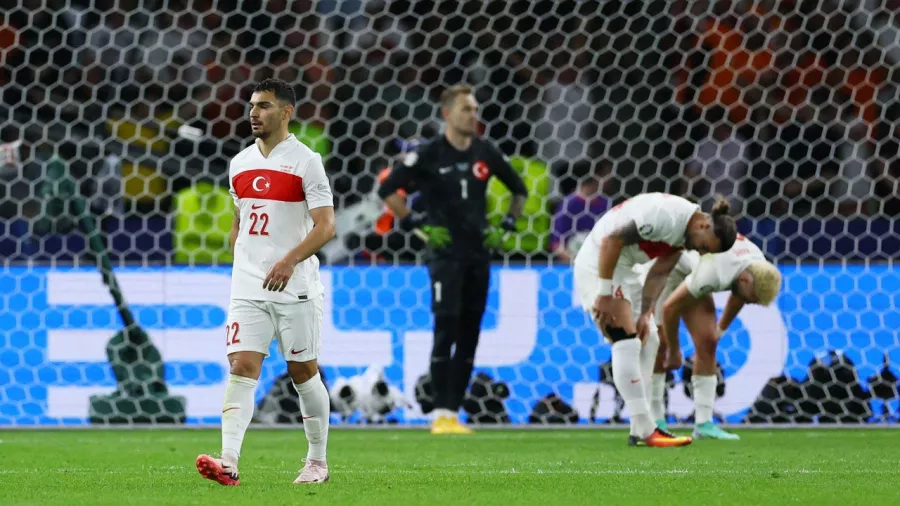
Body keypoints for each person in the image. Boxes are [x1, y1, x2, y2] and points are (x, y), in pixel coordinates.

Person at [195, 78, 336, 486]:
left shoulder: (307, 161)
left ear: (286, 112)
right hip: (248, 285)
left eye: (264, 106)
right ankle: (227, 461)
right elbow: (241, 219)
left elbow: (327, 226)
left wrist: (290, 260)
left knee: (303, 372)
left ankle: (316, 462)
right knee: (241, 366)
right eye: (252, 105)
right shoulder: (238, 163)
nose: (254, 113)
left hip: (295, 286)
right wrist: (241, 250)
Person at [377, 85, 528, 435]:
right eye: (466, 110)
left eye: (475, 109)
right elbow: (387, 189)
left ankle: (453, 413)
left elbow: (518, 189)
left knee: (471, 333)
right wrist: (417, 226)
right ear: (447, 114)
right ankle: (439, 414)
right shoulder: (430, 153)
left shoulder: (485, 152)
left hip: (478, 254)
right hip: (444, 256)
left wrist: (505, 226)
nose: (473, 115)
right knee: (446, 329)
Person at [572, 193, 736, 447]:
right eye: (704, 246)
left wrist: (646, 311)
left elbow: (659, 272)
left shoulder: (683, 235)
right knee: (626, 340)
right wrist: (604, 293)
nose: (698, 250)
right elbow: (610, 241)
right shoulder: (666, 216)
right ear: (704, 225)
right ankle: (647, 428)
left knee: (650, 338)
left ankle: (640, 428)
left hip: (625, 269)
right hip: (600, 263)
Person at [655, 234, 782, 440]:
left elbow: (740, 296)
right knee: (659, 345)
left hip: (694, 268)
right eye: (751, 299)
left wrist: (720, 331)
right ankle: (656, 422)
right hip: (667, 268)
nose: (748, 303)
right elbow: (670, 308)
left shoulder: (756, 267)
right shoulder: (714, 273)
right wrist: (674, 350)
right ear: (744, 280)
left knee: (708, 342)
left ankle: (703, 424)